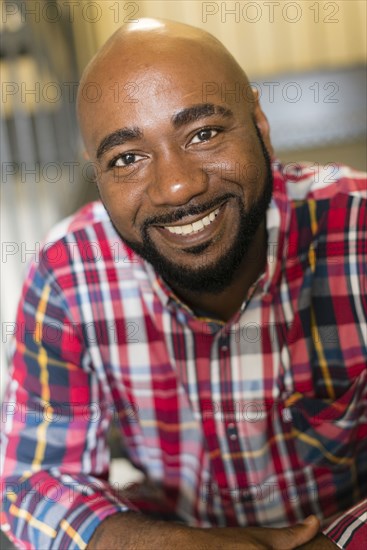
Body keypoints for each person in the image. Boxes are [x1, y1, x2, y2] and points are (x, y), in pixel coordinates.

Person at [1, 18, 366, 550]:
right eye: (127, 158)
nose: (176, 187)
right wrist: (179, 546)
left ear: (260, 123)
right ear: (96, 174)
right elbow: (33, 483)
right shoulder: (69, 276)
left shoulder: (356, 233)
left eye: (204, 134)